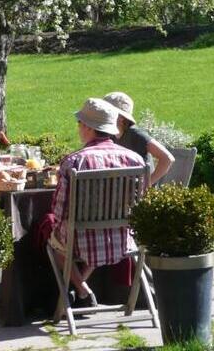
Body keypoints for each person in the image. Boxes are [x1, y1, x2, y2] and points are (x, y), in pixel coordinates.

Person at [49, 98, 145, 307]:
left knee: (51, 234)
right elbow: (140, 206)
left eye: (79, 123)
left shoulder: (75, 161)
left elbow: (59, 211)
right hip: (123, 242)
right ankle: (82, 286)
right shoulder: (135, 160)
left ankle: (80, 287)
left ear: (87, 127)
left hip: (81, 245)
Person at [103, 92, 174, 186]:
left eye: (106, 112)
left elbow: (168, 158)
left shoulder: (136, 134)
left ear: (120, 117)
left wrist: (146, 186)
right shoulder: (110, 134)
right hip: (123, 191)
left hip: (140, 195)